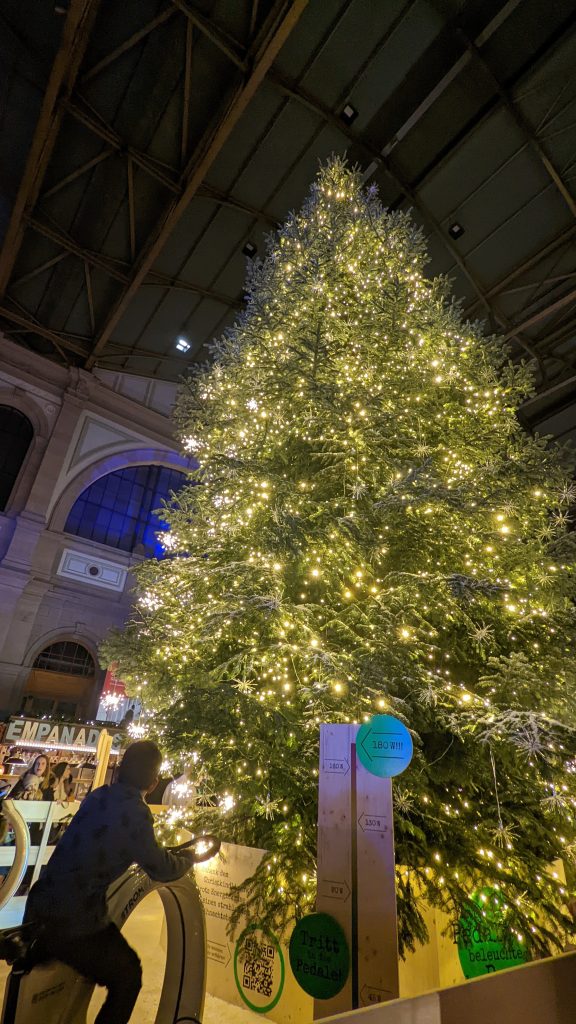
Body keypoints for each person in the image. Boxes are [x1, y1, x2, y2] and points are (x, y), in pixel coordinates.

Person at [24, 740, 197, 1024]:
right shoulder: (136, 813)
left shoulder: (98, 796)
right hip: (77, 919)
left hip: (43, 901)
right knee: (128, 974)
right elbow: (160, 868)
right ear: (153, 783)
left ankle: (35, 951)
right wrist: (188, 859)